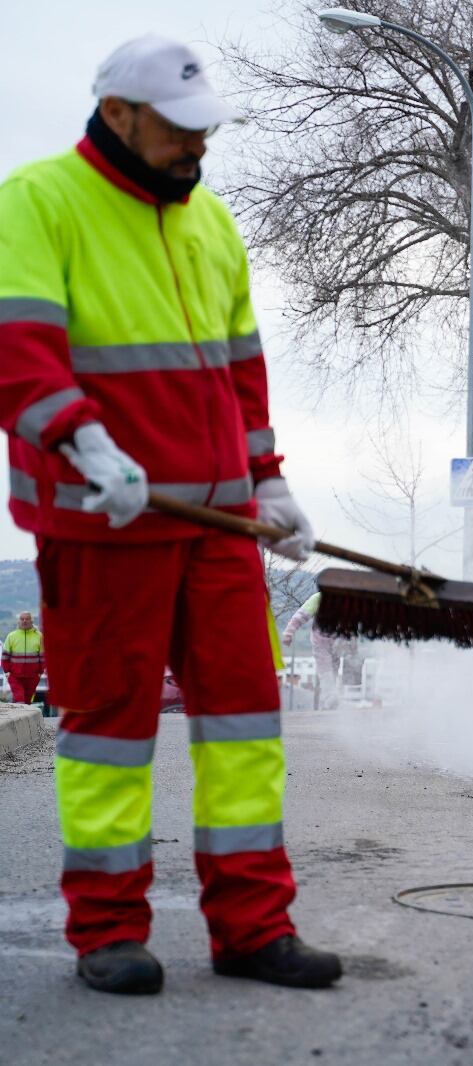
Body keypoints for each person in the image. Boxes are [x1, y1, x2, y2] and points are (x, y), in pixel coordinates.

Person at [0, 35, 339, 994]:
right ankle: (106, 931)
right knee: (109, 729)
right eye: (181, 129)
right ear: (119, 116)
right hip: (101, 519)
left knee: (244, 724)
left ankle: (253, 929)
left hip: (221, 525)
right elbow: (17, 347)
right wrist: (80, 440)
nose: (199, 146)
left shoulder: (211, 223)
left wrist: (269, 478)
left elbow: (240, 370)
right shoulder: (38, 201)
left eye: (206, 129)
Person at [281, 591, 339, 708]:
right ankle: (329, 697)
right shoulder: (318, 598)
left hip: (339, 641)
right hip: (320, 641)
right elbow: (300, 616)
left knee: (334, 669)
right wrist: (288, 633)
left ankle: (331, 696)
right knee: (325, 669)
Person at [3, 610, 44, 704]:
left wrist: (40, 672)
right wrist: (7, 672)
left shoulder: (39, 636)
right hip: (15, 676)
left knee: (27, 701)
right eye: (22, 619)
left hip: (33, 676)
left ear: (31, 621)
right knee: (20, 699)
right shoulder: (11, 636)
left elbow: (43, 657)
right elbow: (5, 656)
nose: (24, 621)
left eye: (27, 619)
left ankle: (17, 716)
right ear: (19, 621)